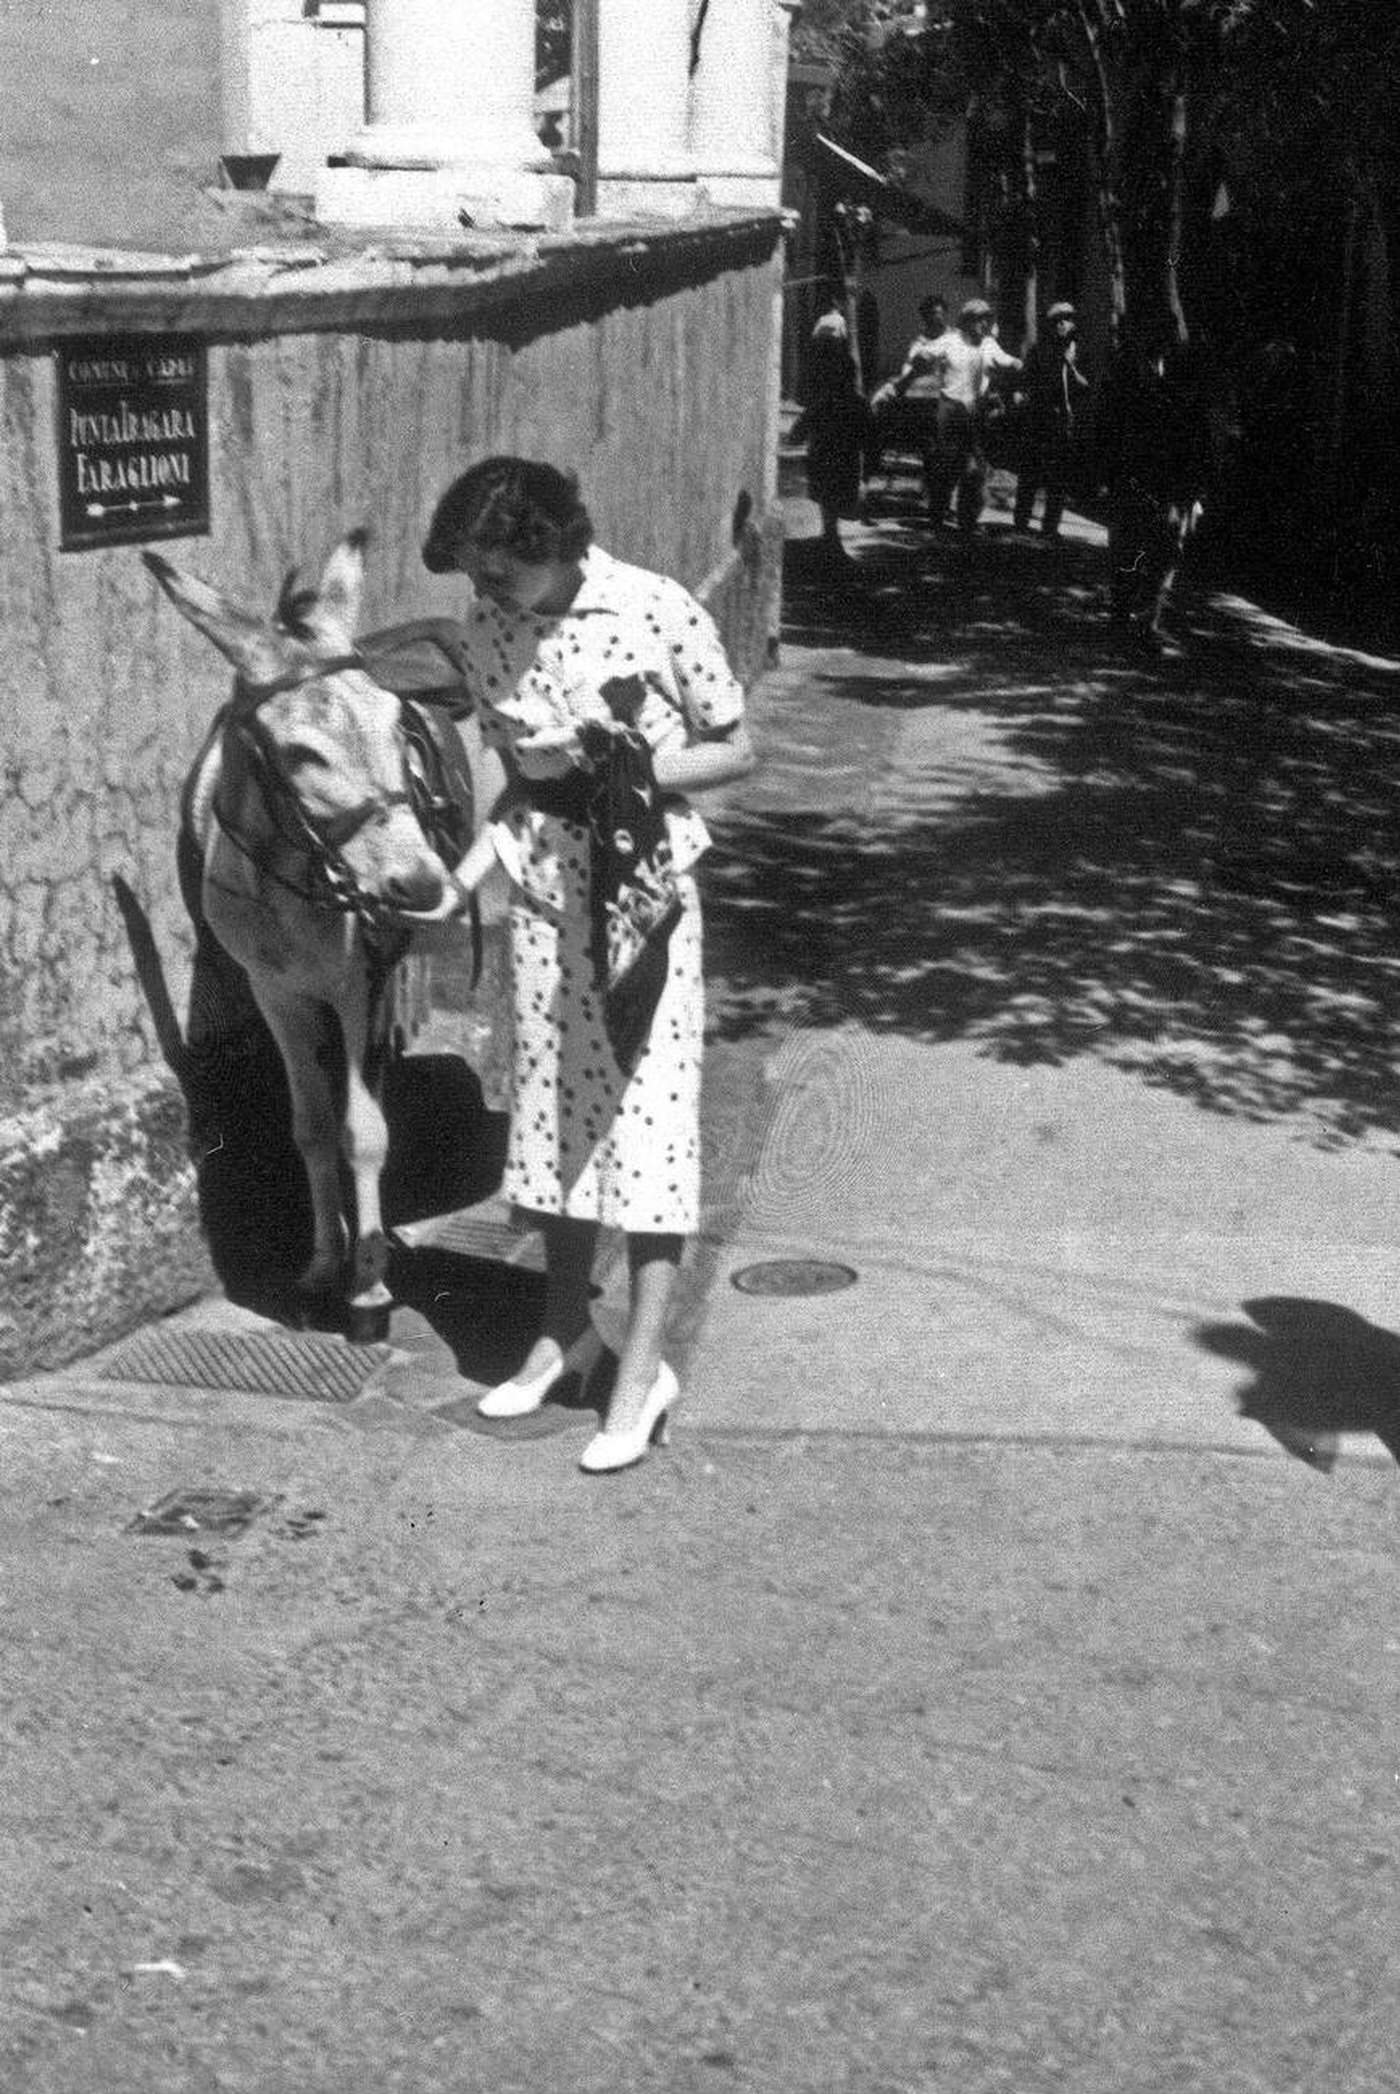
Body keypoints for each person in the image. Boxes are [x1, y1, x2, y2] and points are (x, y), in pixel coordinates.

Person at [419, 456, 756, 1473]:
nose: (481, 595)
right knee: (556, 1133)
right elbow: (518, 791)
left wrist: (626, 769)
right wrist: (456, 883)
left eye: (495, 572)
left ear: (553, 544)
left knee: (646, 1138)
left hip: (641, 903)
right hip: (543, 904)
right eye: (472, 577)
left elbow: (738, 747)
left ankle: (641, 1369)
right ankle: (563, 1334)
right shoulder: (488, 633)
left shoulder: (653, 609)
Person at [1095, 328, 1211, 654]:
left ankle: (1141, 624)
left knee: (1153, 558)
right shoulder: (1149, 399)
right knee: (1139, 556)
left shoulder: (1187, 407)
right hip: (1145, 490)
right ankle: (1127, 622)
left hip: (1166, 495)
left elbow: (1199, 456)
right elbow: (1121, 443)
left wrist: (1193, 496)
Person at [882, 296, 1021, 533]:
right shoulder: (950, 341)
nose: (984, 325)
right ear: (966, 321)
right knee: (947, 466)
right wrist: (906, 378)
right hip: (950, 412)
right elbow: (921, 358)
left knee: (975, 469)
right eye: (979, 320)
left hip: (975, 413)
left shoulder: (988, 344)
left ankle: (967, 521)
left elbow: (1007, 361)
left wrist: (1018, 365)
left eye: (987, 320)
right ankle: (937, 514)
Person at [794, 300, 868, 563]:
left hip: (837, 425)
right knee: (830, 481)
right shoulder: (830, 363)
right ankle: (831, 535)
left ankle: (830, 534)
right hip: (831, 426)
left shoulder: (836, 361)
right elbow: (818, 398)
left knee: (834, 481)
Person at [1012, 300, 1090, 539]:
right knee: (1030, 474)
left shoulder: (1078, 351)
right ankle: (1021, 521)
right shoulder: (1040, 350)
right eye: (1058, 321)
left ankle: (1050, 527)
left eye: (1067, 320)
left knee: (1059, 477)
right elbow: (1027, 380)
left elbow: (1086, 386)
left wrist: (1070, 367)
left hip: (1064, 422)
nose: (1063, 325)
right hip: (1040, 419)